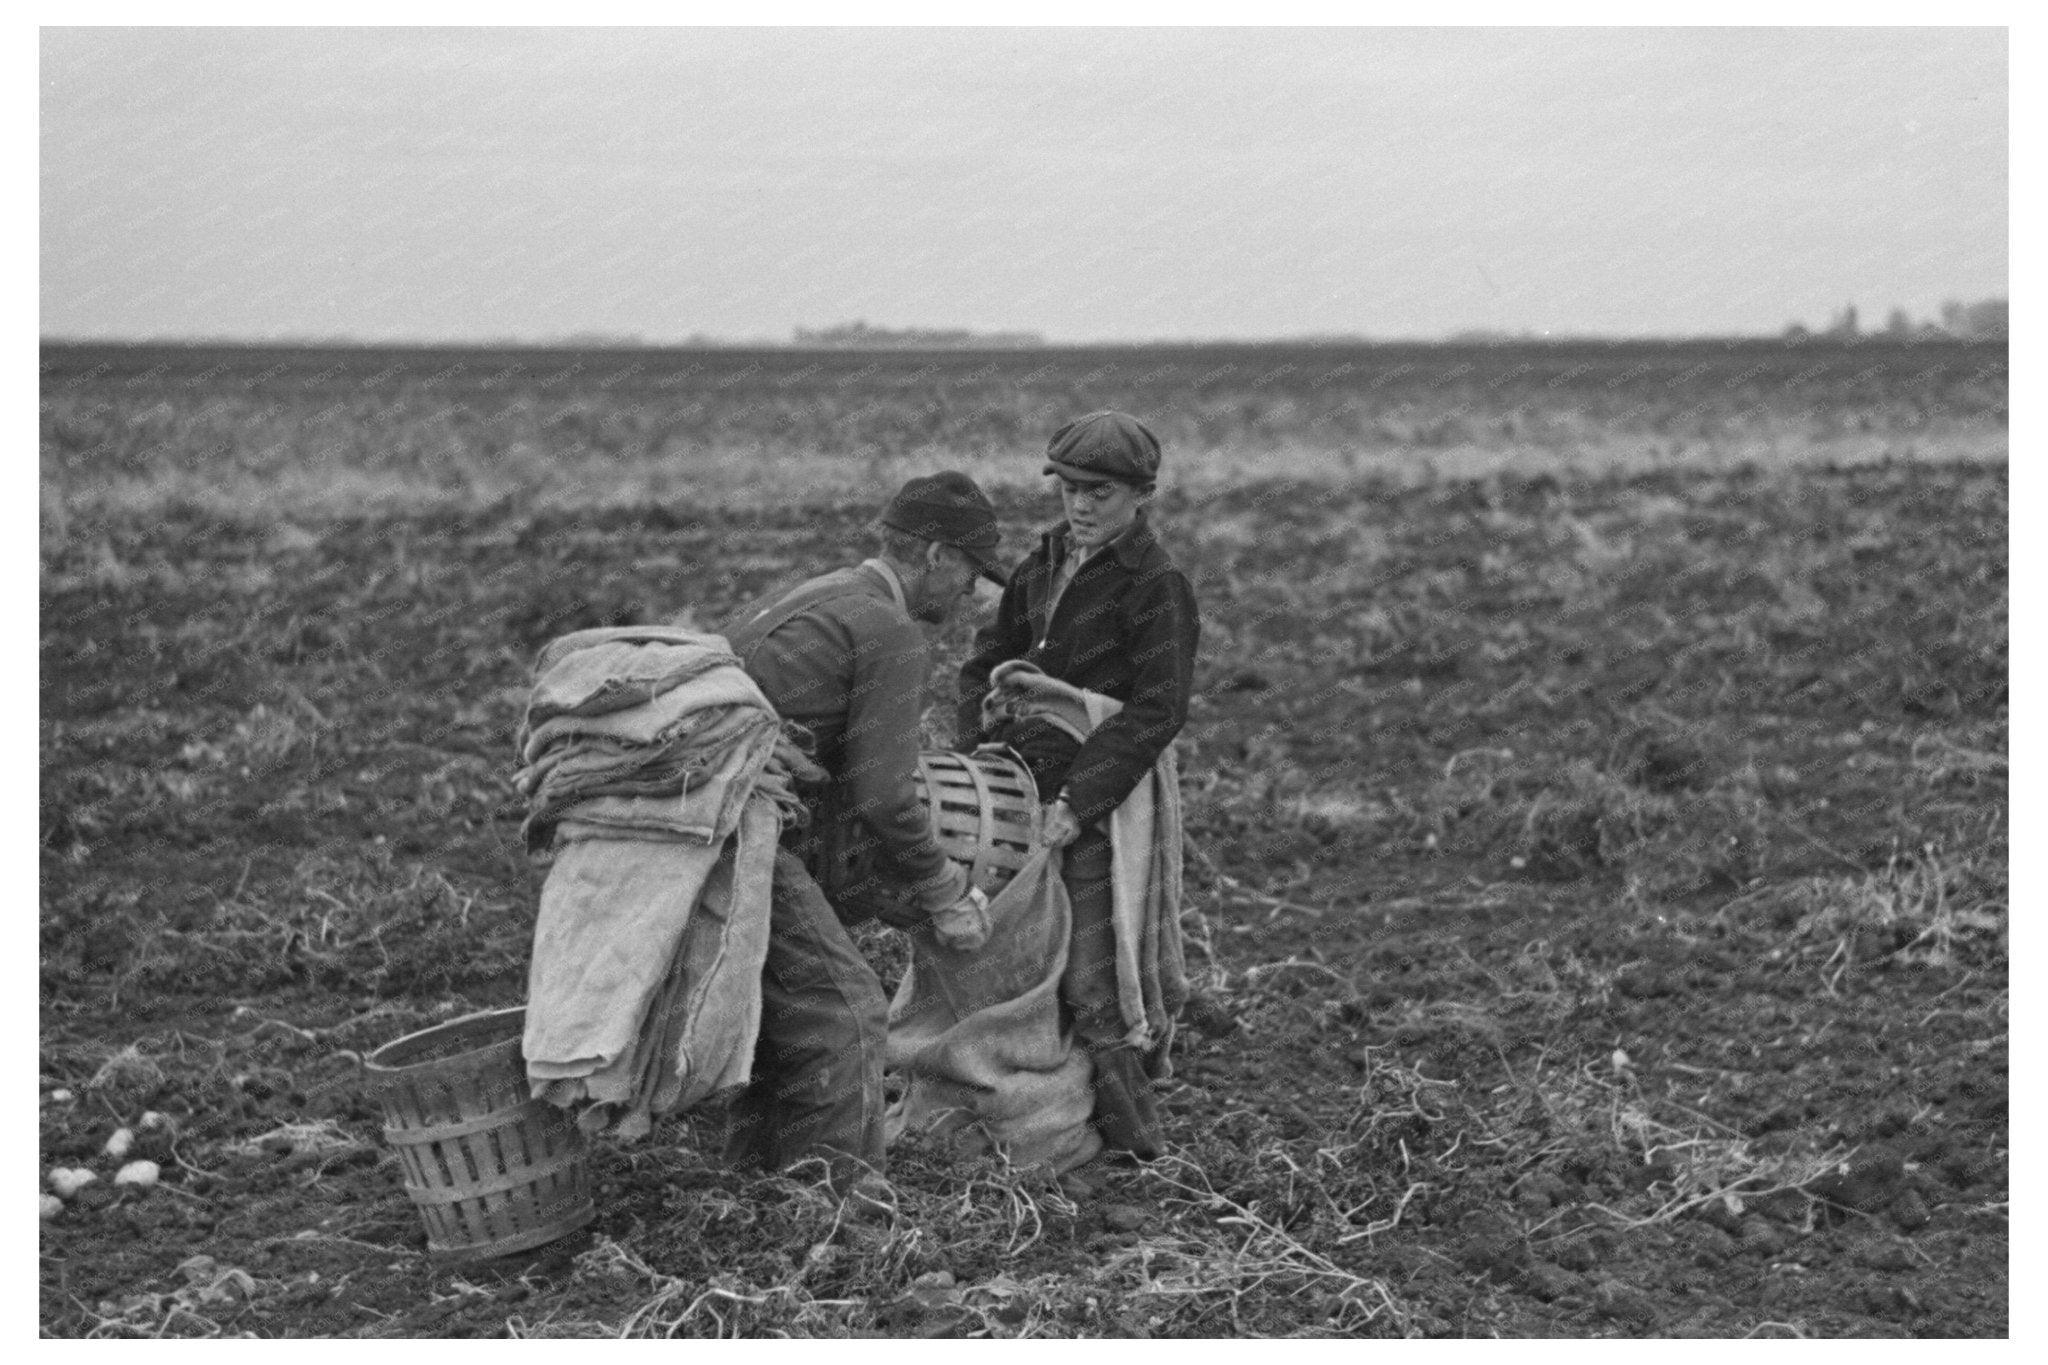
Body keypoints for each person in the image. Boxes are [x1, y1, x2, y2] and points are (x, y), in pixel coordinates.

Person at [719, 471, 1006, 1196]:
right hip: (736, 832)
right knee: (848, 1006)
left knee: (784, 998)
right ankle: (838, 1205)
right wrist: (944, 888)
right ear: (937, 555)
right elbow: (885, 795)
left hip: (710, 821)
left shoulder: (822, 594)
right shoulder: (890, 630)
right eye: (971, 571)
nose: (972, 592)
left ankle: (750, 1175)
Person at [956, 412, 1200, 1161]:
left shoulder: (1155, 586)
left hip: (1097, 807)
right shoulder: (1041, 565)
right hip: (1015, 790)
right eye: (1069, 487)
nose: (1080, 503)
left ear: (1142, 493)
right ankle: (1023, 1128)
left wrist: (1078, 803)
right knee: (1008, 962)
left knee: (1096, 981)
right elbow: (983, 661)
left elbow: (1157, 712)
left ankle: (1140, 1151)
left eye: (1100, 490)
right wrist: (976, 756)